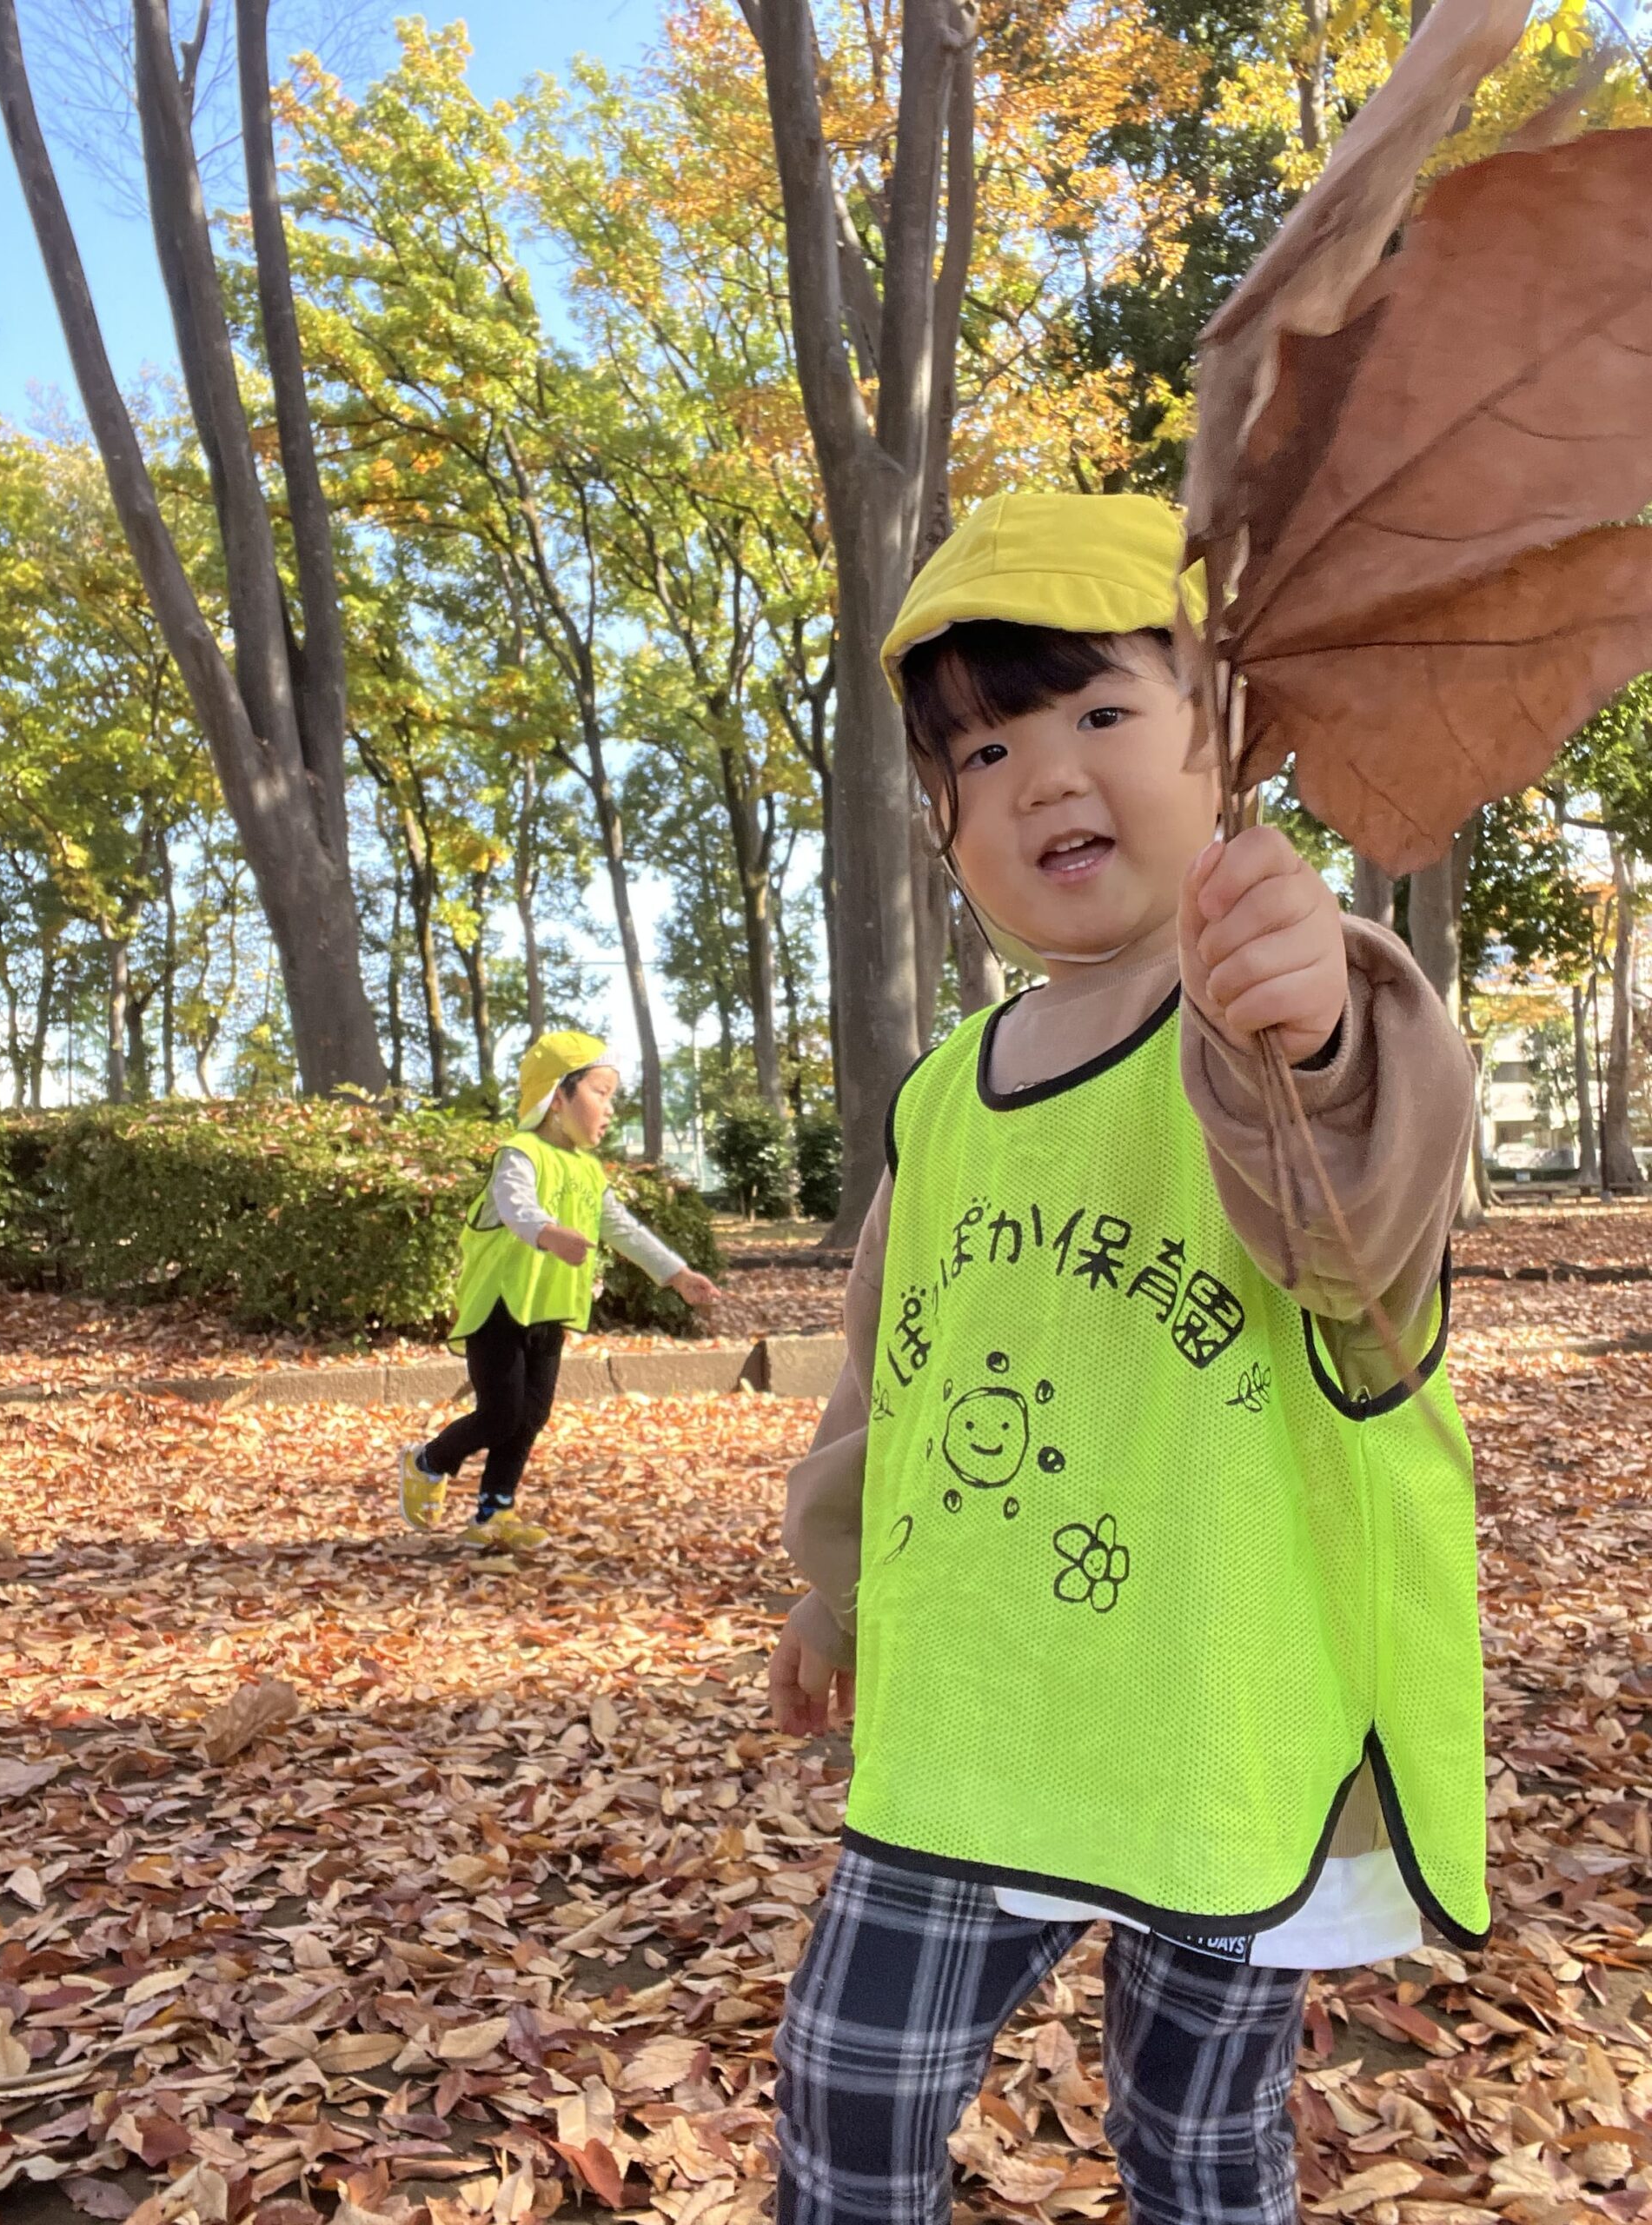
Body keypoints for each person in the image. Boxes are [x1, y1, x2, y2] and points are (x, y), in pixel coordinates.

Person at [769, 493, 1487, 2225]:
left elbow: (1351, 1242)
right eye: (985, 749)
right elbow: (898, 1372)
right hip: (977, 1712)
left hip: (1220, 1711)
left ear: (1221, 735)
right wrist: (832, 1581)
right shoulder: (945, 1097)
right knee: (847, 2087)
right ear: (944, 826)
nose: (1043, 774)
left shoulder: (1292, 1003)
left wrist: (1306, 1030)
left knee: (1200, 2133)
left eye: (1102, 712)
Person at [399, 1031, 722, 1549]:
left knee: (531, 1415)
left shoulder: (589, 1171)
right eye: (600, 1091)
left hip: (550, 1310)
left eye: (612, 1095)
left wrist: (676, 1274)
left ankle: (492, 1513)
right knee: (499, 1414)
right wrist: (549, 1234)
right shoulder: (519, 1153)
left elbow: (621, 1228)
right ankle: (427, 1461)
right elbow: (514, 1205)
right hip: (500, 1307)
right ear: (557, 1097)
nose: (610, 1107)